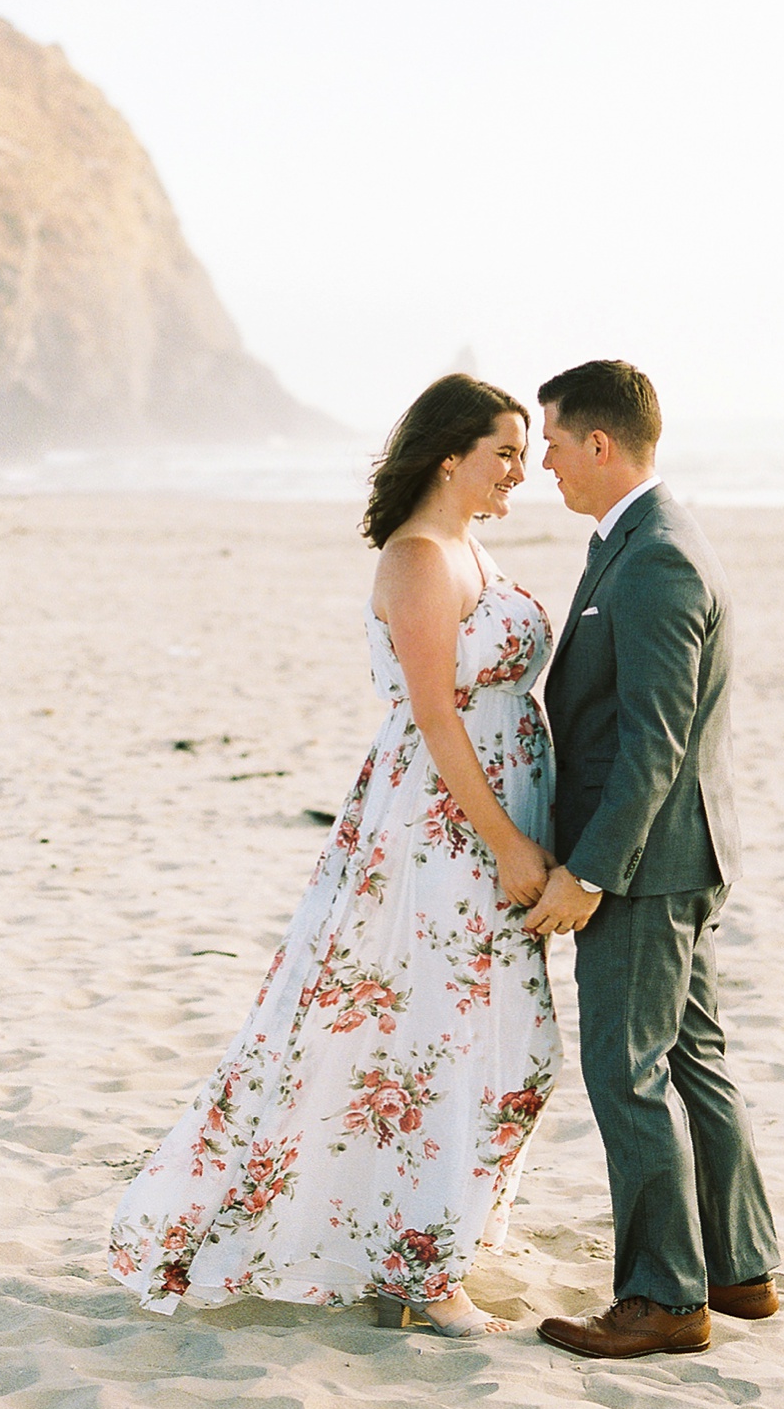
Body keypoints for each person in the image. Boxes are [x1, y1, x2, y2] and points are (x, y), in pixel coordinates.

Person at [108, 375, 567, 1337]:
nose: (521, 471)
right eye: (505, 453)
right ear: (451, 454)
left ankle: (419, 1246)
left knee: (481, 1038)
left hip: (480, 819)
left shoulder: (468, 546)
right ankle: (422, 1272)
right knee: (441, 1033)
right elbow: (438, 718)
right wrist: (509, 843)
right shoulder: (416, 558)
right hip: (442, 831)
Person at [517, 358, 780, 1358]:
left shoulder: (658, 552)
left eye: (550, 441)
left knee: (625, 1073)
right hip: (684, 855)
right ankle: (740, 1269)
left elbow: (654, 739)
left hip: (652, 866)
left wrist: (591, 872)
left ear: (599, 442)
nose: (543, 461)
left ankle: (667, 1298)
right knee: (696, 1062)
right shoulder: (634, 539)